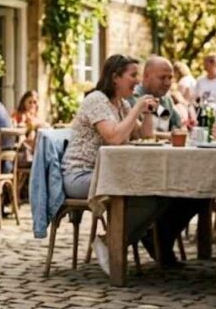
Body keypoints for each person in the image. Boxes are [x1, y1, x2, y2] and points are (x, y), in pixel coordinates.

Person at [62, 55, 168, 273]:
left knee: (160, 194)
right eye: (132, 75)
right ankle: (111, 245)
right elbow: (113, 137)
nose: (137, 81)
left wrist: (146, 113)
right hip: (81, 175)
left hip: (108, 175)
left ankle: (109, 241)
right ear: (115, 77)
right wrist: (138, 108)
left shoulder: (122, 104)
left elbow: (145, 135)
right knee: (140, 194)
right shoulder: (96, 100)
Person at [128, 56, 182, 136]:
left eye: (170, 78)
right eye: (162, 78)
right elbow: (138, 133)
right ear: (146, 76)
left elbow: (179, 128)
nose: (167, 83)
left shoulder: (167, 100)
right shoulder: (132, 97)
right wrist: (169, 136)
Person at [11, 90, 48, 156]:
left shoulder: (35, 117)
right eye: (30, 102)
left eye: (34, 102)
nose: (32, 105)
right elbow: (14, 126)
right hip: (21, 145)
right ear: (24, 102)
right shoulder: (18, 114)